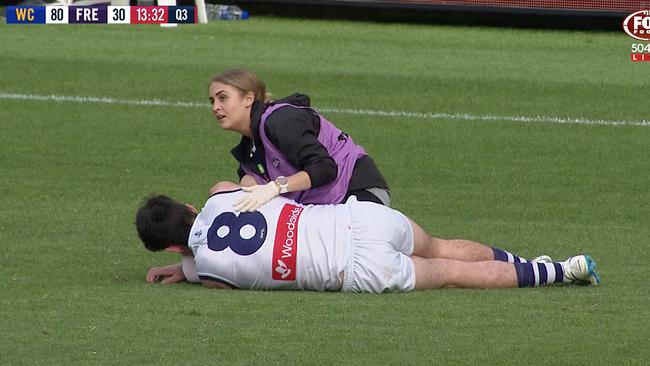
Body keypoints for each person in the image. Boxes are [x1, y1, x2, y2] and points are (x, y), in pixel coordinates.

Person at [135, 181, 600, 292]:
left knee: (453, 273)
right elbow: (224, 188)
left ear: (173, 247)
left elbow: (207, 266)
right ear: (189, 207)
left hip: (357, 269)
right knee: (440, 246)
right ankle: (530, 260)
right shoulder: (218, 196)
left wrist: (182, 267)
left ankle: (562, 271)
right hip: (360, 220)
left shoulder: (206, 273)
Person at [207, 68, 390, 211]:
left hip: (358, 192)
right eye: (212, 101)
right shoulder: (248, 152)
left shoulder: (280, 121)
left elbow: (325, 168)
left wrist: (276, 187)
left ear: (248, 98)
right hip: (323, 209)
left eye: (223, 98)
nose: (215, 107)